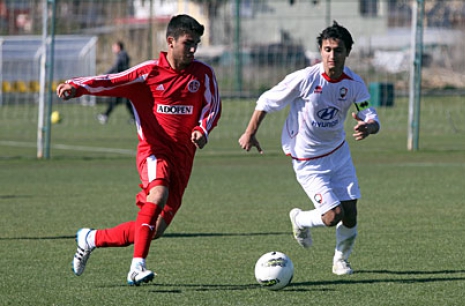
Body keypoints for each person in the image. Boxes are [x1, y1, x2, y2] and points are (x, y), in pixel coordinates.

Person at [57, 14, 221, 286]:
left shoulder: (203, 74)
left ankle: (90, 238)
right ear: (170, 41)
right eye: (187, 43)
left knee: (153, 230)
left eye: (196, 44)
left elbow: (212, 107)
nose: (193, 49)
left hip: (184, 158)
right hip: (154, 151)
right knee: (158, 193)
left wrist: (202, 129)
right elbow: (111, 80)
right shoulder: (149, 72)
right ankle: (137, 266)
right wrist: (77, 87)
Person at [239, 21, 380, 276]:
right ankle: (300, 219)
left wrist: (369, 126)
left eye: (337, 50)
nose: (331, 56)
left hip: (338, 154)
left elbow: (369, 113)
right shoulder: (306, 78)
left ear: (347, 52)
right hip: (307, 159)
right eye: (327, 49)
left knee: (350, 213)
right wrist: (250, 132)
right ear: (320, 50)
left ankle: (341, 260)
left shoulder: (354, 83)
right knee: (332, 216)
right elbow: (267, 100)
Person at [96, 41, 135, 124]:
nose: (113, 49)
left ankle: (105, 115)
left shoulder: (122, 56)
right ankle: (134, 117)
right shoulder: (122, 55)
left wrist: (104, 75)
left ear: (118, 47)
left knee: (117, 99)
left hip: (123, 82)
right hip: (124, 82)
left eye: (114, 47)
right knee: (123, 100)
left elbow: (115, 68)